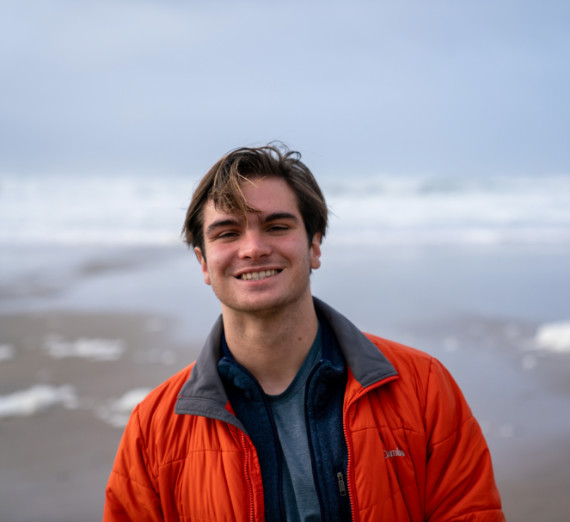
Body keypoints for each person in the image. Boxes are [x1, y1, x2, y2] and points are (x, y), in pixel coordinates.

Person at [104, 144, 505, 521]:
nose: (253, 248)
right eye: (227, 233)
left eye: (277, 226)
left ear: (314, 246)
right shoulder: (153, 428)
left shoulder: (423, 388)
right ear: (204, 263)